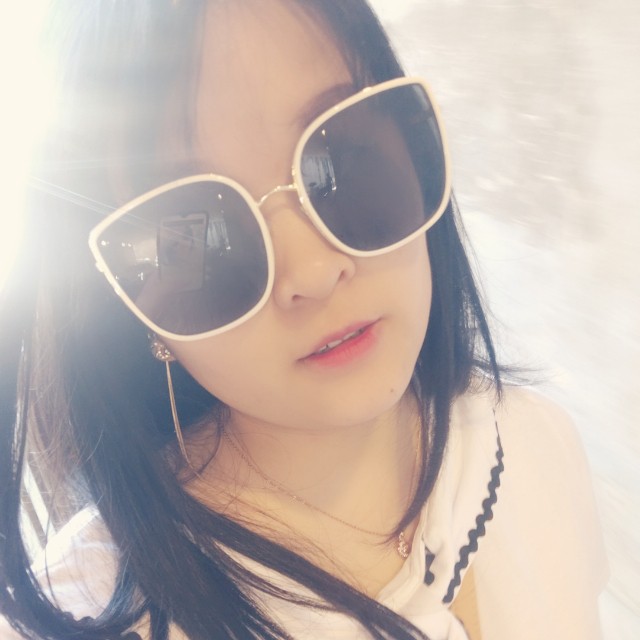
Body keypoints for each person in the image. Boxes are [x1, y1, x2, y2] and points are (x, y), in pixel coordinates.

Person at [0, 1, 608, 638]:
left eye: (340, 158)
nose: (314, 272)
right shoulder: (88, 612)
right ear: (126, 304)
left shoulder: (534, 440)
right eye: (197, 235)